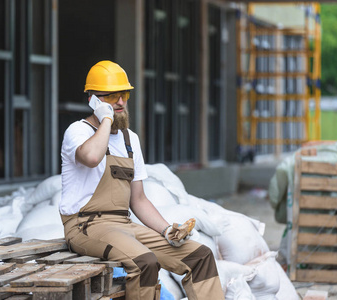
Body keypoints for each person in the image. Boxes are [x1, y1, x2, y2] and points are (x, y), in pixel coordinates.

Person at [60, 60, 224, 300]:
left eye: (124, 94)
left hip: (124, 225)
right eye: (113, 96)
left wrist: (167, 229)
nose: (121, 102)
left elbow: (138, 200)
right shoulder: (78, 132)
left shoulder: (130, 140)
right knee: (145, 262)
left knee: (200, 256)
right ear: (93, 100)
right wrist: (105, 119)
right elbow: (93, 157)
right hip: (85, 226)